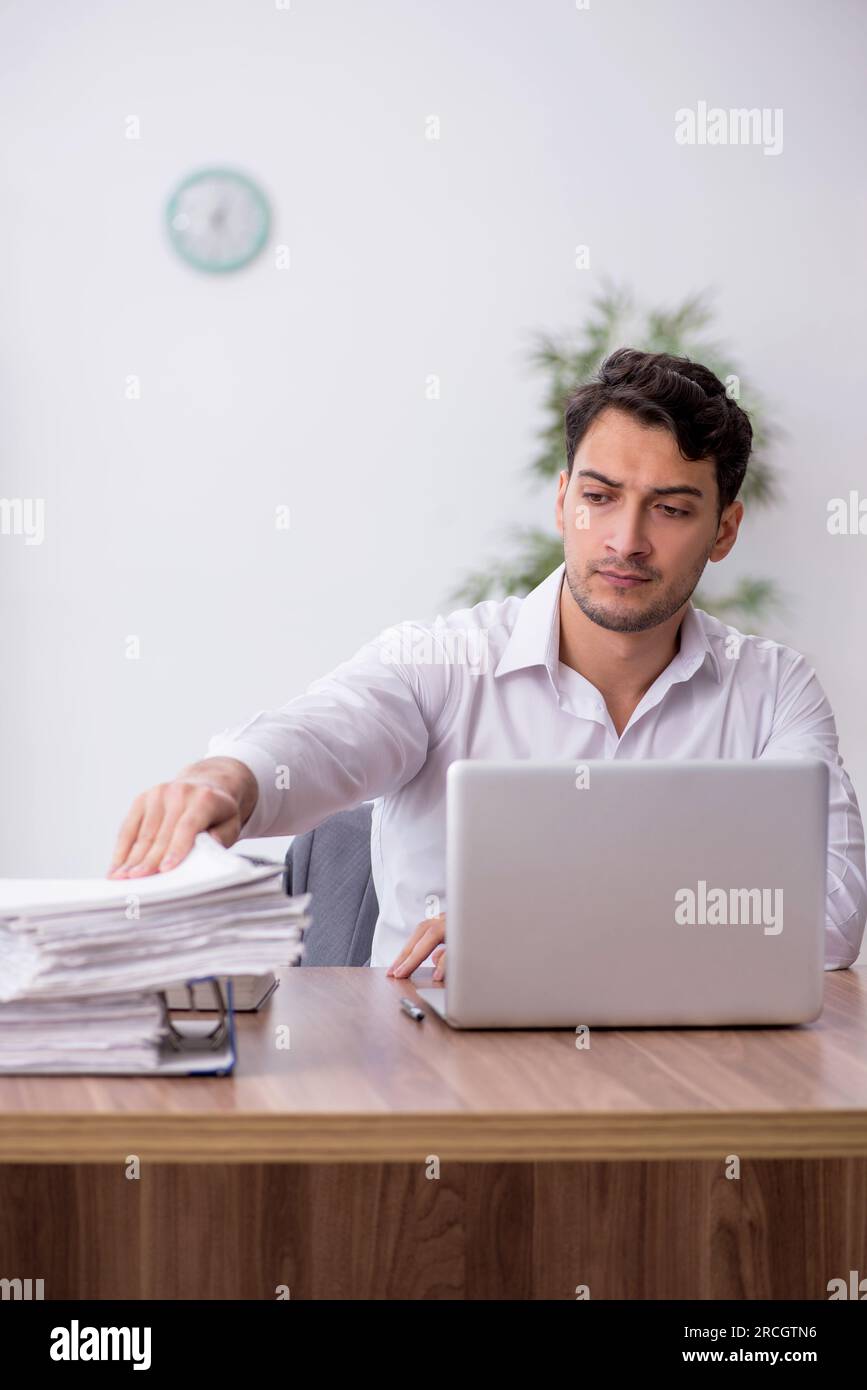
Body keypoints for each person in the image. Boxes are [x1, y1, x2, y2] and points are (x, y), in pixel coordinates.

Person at [108, 348, 867, 980]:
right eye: (599, 497)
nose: (625, 539)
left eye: (669, 509)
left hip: (683, 1078)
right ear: (563, 498)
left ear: (724, 529)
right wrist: (227, 777)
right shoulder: (443, 661)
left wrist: (539, 926)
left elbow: (829, 925)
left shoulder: (772, 689)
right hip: (431, 1072)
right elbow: (322, 736)